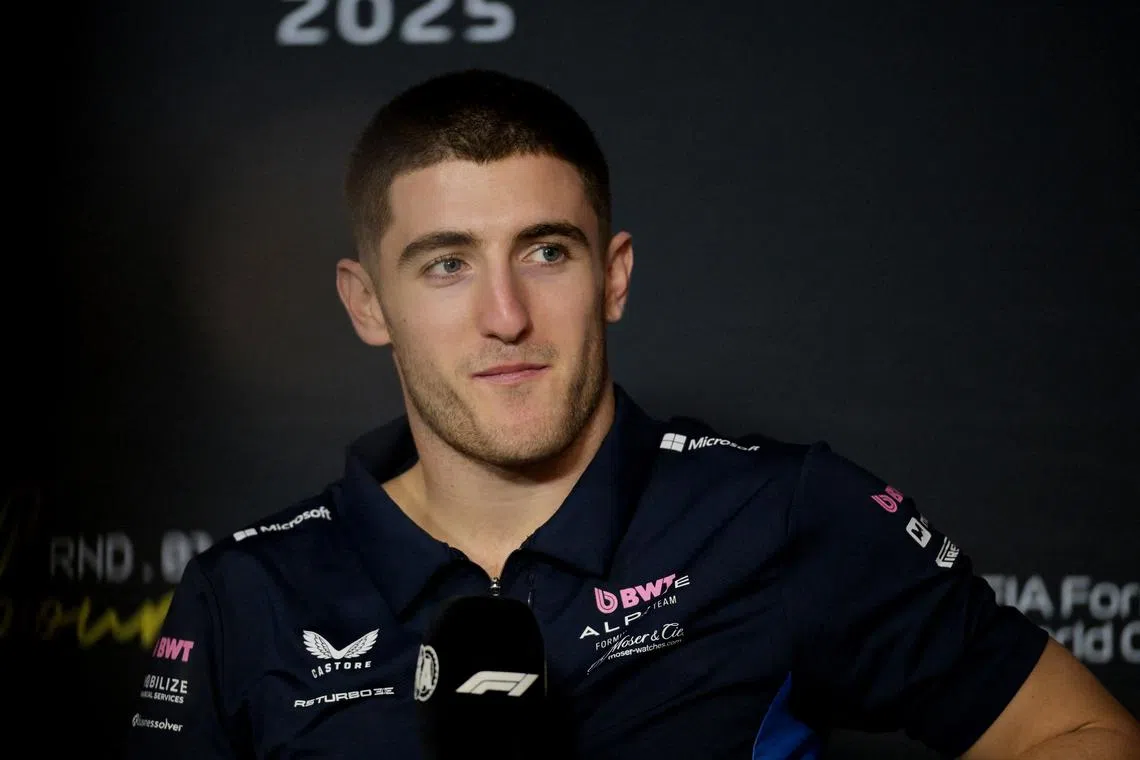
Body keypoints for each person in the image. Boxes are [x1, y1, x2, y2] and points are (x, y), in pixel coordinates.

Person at [123, 69, 1140, 759]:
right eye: (446, 264)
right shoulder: (243, 594)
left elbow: (1084, 734)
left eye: (547, 251)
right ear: (365, 302)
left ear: (613, 276)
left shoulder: (780, 513)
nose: (507, 314)